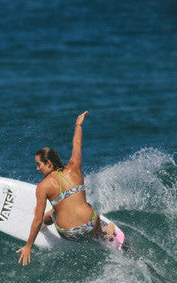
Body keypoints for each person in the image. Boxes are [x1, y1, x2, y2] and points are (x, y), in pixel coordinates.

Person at [17, 112, 116, 266]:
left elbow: (36, 219)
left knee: (49, 215)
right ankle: (105, 236)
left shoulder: (43, 187)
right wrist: (78, 124)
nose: (37, 169)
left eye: (39, 164)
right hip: (90, 225)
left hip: (68, 234)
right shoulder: (74, 167)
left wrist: (28, 246)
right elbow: (77, 144)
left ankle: (47, 223)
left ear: (48, 163)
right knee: (88, 208)